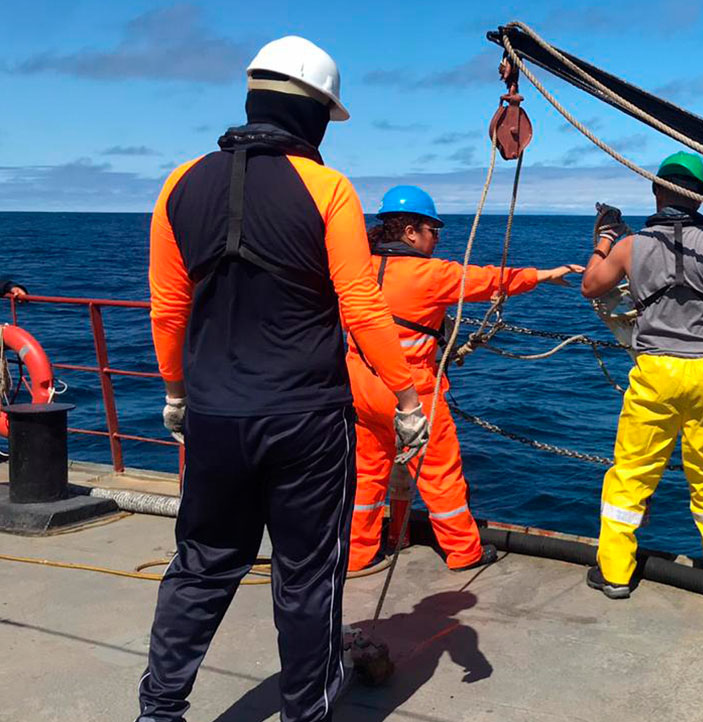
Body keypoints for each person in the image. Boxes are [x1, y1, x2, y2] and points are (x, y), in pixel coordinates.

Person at [141, 36, 430, 722]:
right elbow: (361, 306)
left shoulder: (179, 182)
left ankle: (158, 710)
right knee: (307, 577)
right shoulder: (327, 188)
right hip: (305, 419)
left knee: (201, 565)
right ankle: (308, 711)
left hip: (213, 415)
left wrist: (176, 393)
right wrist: (408, 395)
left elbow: (167, 308)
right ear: (315, 114)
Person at [346, 185, 583, 573]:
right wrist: (543, 274)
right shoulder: (432, 275)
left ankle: (358, 552)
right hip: (411, 392)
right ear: (411, 233)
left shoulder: (359, 270)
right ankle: (463, 552)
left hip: (359, 386)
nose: (437, 239)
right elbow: (489, 280)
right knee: (439, 474)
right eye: (433, 231)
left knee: (367, 474)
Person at [580, 151, 703, 599]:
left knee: (632, 472)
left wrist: (604, 239)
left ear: (656, 189)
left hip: (656, 369)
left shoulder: (630, 246)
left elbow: (591, 286)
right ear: (700, 198)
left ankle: (616, 572)